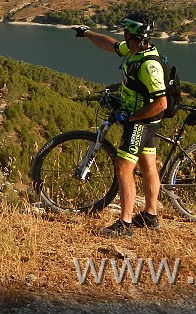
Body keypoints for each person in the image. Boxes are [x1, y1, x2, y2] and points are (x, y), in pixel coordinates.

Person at [73, 12, 167, 238]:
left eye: (126, 31)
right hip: (143, 121)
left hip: (140, 123)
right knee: (148, 166)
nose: (123, 35)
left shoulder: (148, 65)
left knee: (124, 168)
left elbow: (162, 102)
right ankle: (150, 216)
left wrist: (132, 118)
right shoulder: (135, 50)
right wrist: (87, 34)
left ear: (133, 34)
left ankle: (124, 224)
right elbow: (112, 46)